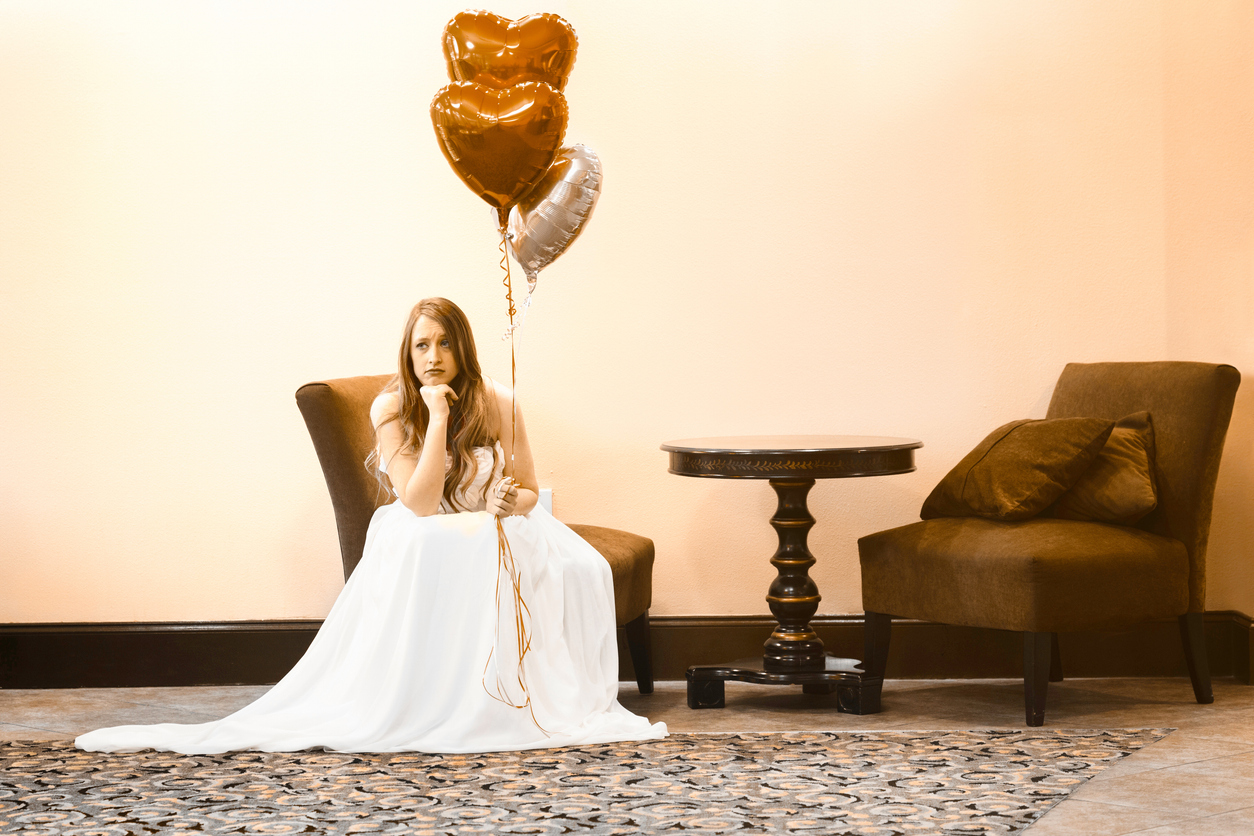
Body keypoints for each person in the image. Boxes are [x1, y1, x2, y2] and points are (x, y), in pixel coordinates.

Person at [76, 298, 666, 754]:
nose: (432, 357)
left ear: (463, 349)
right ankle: (433, 695)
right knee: (436, 542)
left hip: (492, 528)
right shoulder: (391, 408)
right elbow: (421, 502)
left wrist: (513, 502)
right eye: (420, 347)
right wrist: (436, 419)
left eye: (443, 344)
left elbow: (532, 488)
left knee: (531, 555)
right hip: (428, 529)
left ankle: (500, 694)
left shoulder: (499, 401)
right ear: (407, 356)